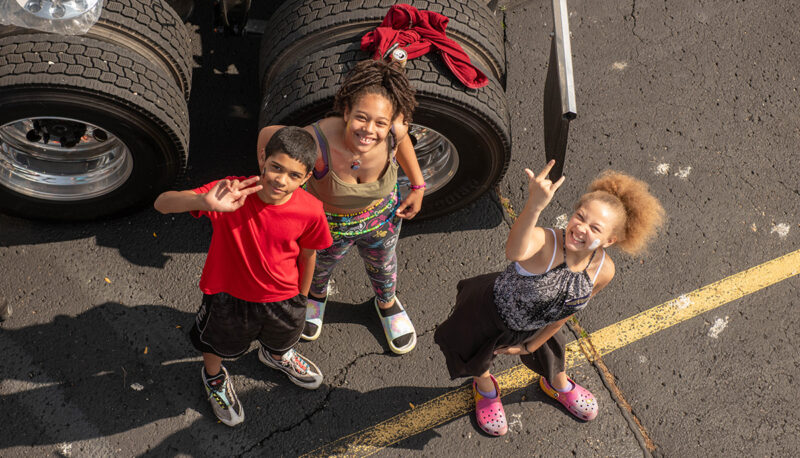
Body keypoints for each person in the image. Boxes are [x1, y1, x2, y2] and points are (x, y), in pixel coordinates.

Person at [434, 160, 665, 436]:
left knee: (554, 356)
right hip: (492, 313)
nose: (581, 228)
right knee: (477, 357)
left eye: (595, 228)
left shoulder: (604, 271)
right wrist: (534, 205)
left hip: (540, 324)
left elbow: (566, 313)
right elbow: (514, 251)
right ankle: (485, 389)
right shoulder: (546, 243)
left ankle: (557, 384)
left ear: (610, 241)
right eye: (580, 216)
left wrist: (532, 345)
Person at [153, 126, 333, 427]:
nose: (280, 179)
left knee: (283, 336)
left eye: (293, 175)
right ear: (263, 159)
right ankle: (213, 378)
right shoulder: (230, 191)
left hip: (284, 297)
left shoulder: (312, 211)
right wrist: (202, 202)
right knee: (216, 344)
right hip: (227, 296)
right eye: (276, 167)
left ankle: (277, 356)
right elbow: (162, 203)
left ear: (305, 178)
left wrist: (303, 297)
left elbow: (308, 254)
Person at [257, 59, 425, 354]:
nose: (369, 130)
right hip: (327, 225)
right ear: (346, 111)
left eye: (380, 123)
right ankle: (317, 297)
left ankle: (386, 302)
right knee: (319, 268)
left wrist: (418, 186)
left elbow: (404, 144)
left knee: (384, 266)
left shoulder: (395, 132)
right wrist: (270, 179)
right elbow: (268, 135)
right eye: (361, 117)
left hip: (382, 219)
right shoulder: (316, 140)